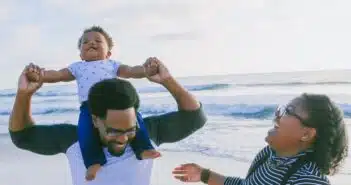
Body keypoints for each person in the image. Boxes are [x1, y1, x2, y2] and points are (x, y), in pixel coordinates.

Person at [9, 59, 207, 185]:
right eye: (113, 131)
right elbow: (22, 136)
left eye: (130, 130)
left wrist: (167, 80)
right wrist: (24, 95)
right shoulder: (74, 138)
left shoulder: (148, 132)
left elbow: (195, 117)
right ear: (95, 120)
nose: (123, 138)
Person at [26, 25, 160, 180]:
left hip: (114, 104)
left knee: (136, 121)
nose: (92, 43)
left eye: (98, 41)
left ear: (108, 53)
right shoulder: (77, 67)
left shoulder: (112, 64)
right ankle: (93, 162)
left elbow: (130, 71)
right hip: (88, 106)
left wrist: (146, 70)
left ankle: (143, 149)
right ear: (81, 54)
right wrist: (39, 75)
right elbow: (58, 75)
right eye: (86, 42)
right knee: (85, 132)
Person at [172, 94, 348, 185]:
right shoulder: (269, 155)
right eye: (283, 108)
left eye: (289, 111)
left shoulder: (308, 180)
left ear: (306, 134)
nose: (277, 114)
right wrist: (204, 174)